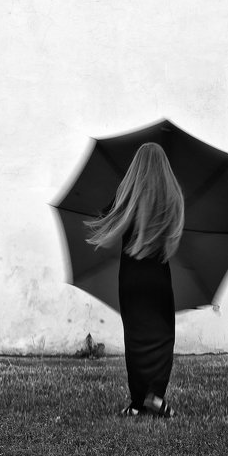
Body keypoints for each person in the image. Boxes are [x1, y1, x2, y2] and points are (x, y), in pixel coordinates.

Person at [86, 142, 185, 418]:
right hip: (158, 279)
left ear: (136, 168)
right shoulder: (171, 198)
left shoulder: (127, 195)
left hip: (131, 279)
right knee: (163, 336)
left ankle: (137, 402)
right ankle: (155, 394)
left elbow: (105, 216)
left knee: (135, 337)